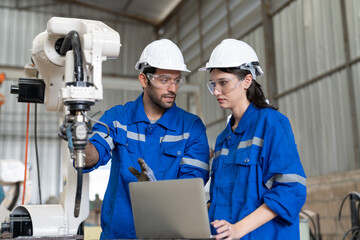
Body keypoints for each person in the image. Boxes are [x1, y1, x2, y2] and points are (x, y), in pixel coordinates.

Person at [60, 39, 210, 239]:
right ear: (143, 80)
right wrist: (81, 143)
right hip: (118, 235)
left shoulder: (191, 128)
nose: (173, 88)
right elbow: (91, 157)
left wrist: (154, 192)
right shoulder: (117, 120)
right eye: (164, 80)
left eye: (177, 80)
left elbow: (192, 191)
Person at [199, 39, 307, 240]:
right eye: (213, 84)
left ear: (247, 80)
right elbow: (218, 200)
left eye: (223, 83)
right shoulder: (224, 139)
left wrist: (238, 229)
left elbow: (290, 191)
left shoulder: (272, 124)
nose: (216, 91)